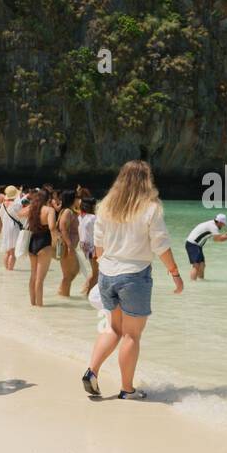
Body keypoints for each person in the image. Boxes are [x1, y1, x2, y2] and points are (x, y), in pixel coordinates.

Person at [80, 160, 183, 400]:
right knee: (131, 335)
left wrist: (107, 267)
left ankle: (91, 371)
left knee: (114, 329)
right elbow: (161, 244)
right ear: (147, 181)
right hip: (134, 275)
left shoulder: (106, 206)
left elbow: (98, 247)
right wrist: (175, 273)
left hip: (107, 273)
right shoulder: (150, 208)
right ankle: (127, 390)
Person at [25, 187, 56, 306]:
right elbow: (52, 227)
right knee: (40, 278)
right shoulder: (49, 210)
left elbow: (18, 213)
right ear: (48, 198)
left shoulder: (32, 209)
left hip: (32, 242)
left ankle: (32, 303)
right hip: (44, 242)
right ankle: (39, 306)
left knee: (33, 275)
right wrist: (55, 242)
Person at [183, 213, 227, 280]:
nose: (223, 225)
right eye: (223, 224)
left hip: (197, 245)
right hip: (192, 244)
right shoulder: (213, 227)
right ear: (220, 222)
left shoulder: (212, 224)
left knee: (202, 265)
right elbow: (217, 239)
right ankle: (192, 285)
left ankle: (201, 283)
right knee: (196, 265)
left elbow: (217, 237)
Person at [55, 189, 80, 297]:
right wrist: (69, 246)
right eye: (77, 198)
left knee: (74, 271)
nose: (78, 200)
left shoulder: (68, 210)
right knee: (68, 274)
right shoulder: (67, 212)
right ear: (72, 199)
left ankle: (62, 292)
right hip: (66, 246)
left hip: (69, 245)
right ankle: (64, 295)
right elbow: (63, 229)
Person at [78, 196, 99, 296]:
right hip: (93, 247)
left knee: (94, 271)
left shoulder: (81, 216)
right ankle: (87, 293)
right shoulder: (93, 218)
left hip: (85, 247)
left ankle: (85, 289)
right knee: (96, 273)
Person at [0, 185, 23, 270]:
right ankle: (10, 270)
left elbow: (1, 216)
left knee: (7, 251)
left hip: (5, 227)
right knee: (13, 252)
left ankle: (6, 270)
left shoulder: (3, 204)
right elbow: (20, 216)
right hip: (13, 227)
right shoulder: (17, 204)